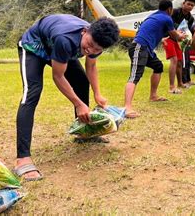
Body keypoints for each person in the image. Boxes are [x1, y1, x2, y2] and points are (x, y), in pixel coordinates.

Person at [14, 15, 120, 181]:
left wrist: (97, 94)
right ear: (85, 31)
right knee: (32, 93)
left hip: (58, 48)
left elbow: (91, 67)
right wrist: (78, 104)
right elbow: (58, 76)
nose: (91, 51)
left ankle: (83, 133)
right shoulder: (66, 39)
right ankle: (23, 159)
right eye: (90, 45)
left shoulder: (97, 40)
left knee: (81, 82)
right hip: (34, 45)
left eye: (97, 50)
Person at [125, 0, 185, 119]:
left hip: (146, 49)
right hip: (139, 47)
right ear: (169, 9)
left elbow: (159, 32)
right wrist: (181, 35)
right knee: (135, 76)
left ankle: (153, 96)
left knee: (158, 66)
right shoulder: (167, 18)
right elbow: (176, 36)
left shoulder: (154, 16)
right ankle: (127, 108)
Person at [164, 0, 195, 94]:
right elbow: (169, 24)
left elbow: (188, 31)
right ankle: (171, 87)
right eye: (188, 4)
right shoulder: (174, 12)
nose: (190, 6)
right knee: (174, 61)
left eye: (192, 5)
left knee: (179, 62)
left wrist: (189, 38)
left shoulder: (190, 18)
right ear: (183, 4)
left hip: (179, 41)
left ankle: (180, 83)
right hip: (169, 38)